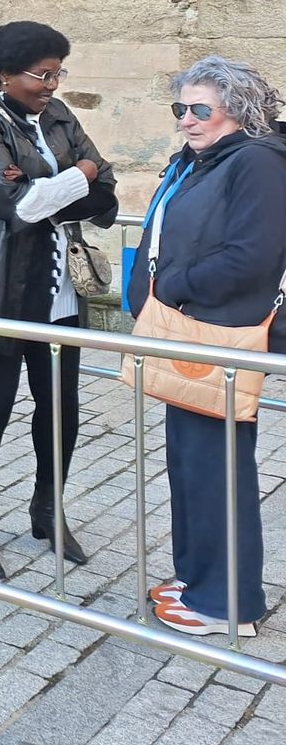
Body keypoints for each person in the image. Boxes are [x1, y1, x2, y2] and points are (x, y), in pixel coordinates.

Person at [0, 21, 117, 579]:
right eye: (42, 74)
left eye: (58, 72)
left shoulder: (60, 117)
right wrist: (74, 175)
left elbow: (106, 188)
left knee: (62, 406)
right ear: (4, 75)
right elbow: (14, 206)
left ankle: (47, 505)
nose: (52, 83)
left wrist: (57, 184)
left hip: (60, 287)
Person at [129, 56, 286, 638]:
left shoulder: (257, 164)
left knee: (217, 469)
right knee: (191, 467)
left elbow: (252, 256)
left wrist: (172, 286)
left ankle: (227, 603)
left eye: (200, 109)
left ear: (238, 112)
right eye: (180, 109)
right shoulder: (204, 160)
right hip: (190, 330)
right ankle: (199, 579)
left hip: (216, 332)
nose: (187, 120)